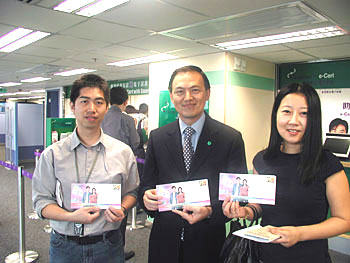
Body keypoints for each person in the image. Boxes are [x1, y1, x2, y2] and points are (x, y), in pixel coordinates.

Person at [223, 82, 350, 263]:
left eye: (304, 113)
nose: (293, 121)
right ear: (276, 115)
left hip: (310, 257)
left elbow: (344, 220)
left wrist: (300, 233)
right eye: (287, 111)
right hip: (265, 257)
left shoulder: (328, 164)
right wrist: (244, 212)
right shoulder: (262, 160)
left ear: (314, 119)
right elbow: (259, 207)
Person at [139, 65, 247, 263]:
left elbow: (238, 196)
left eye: (195, 90)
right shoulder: (158, 137)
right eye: (180, 91)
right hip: (164, 243)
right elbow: (146, 185)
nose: (187, 97)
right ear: (172, 97)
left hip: (207, 243)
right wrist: (146, 199)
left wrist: (210, 211)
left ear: (207, 94)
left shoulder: (230, 138)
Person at [32, 74, 139, 263]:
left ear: (106, 107)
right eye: (84, 101)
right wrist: (71, 216)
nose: (92, 109)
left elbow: (132, 191)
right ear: (73, 106)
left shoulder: (123, 152)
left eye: (99, 102)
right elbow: (41, 202)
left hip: (108, 244)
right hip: (65, 246)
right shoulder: (52, 154)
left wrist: (122, 207)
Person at [101, 86, 139, 261]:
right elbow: (135, 143)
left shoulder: (99, 116)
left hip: (98, 170)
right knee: (119, 211)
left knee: (98, 208)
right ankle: (117, 251)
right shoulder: (127, 120)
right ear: (126, 102)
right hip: (119, 170)